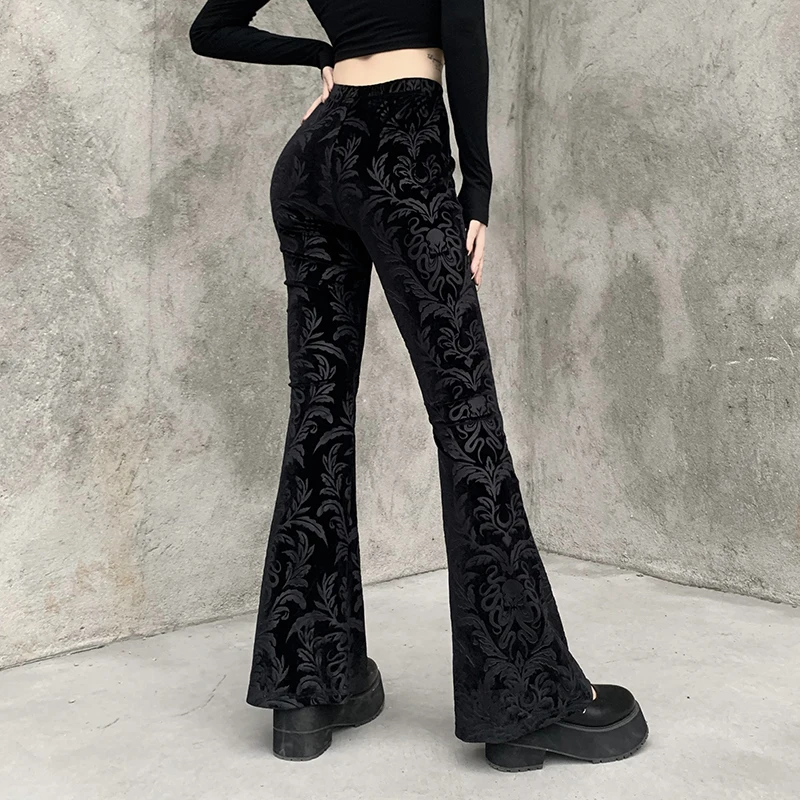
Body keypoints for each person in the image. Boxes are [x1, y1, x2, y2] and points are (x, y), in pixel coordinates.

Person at [188, 0, 648, 772]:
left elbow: (211, 30)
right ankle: (525, 701)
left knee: (319, 416)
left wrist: (321, 56)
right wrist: (478, 189)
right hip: (402, 146)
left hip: (313, 160)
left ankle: (308, 689)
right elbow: (461, 29)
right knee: (466, 417)